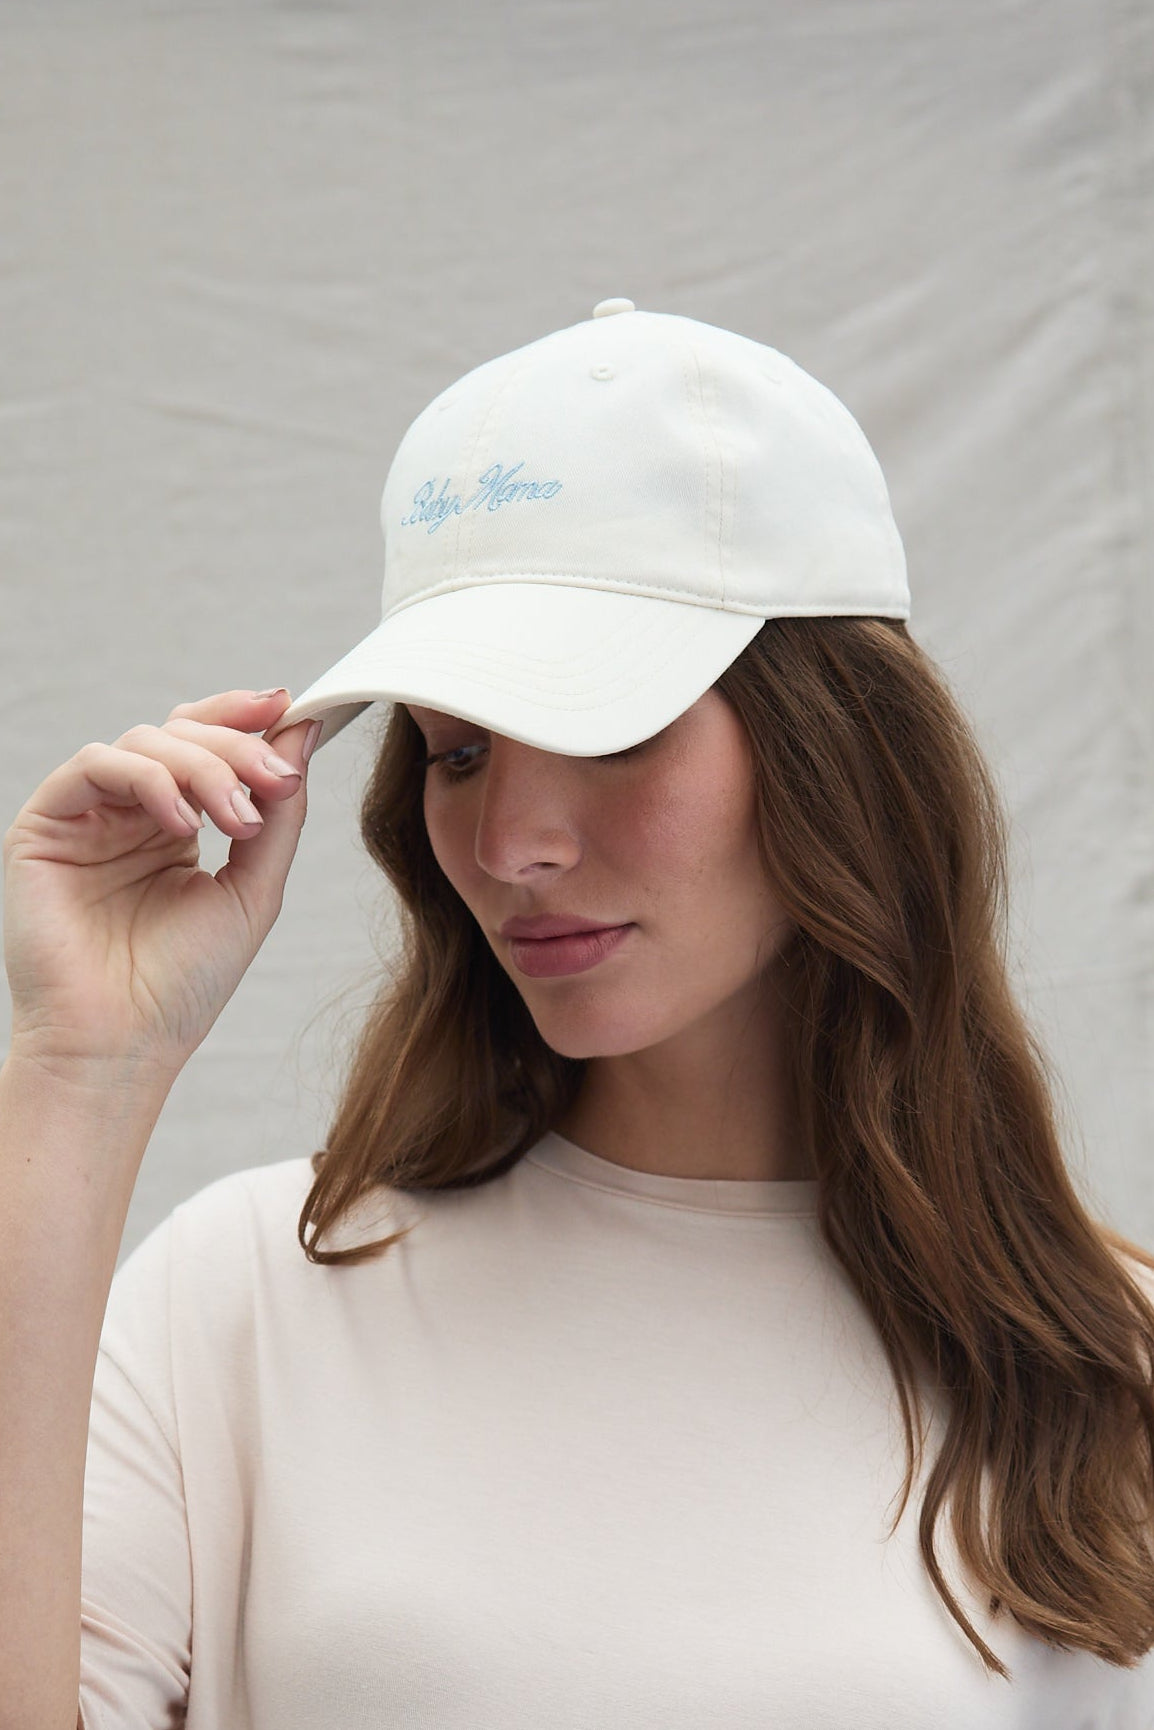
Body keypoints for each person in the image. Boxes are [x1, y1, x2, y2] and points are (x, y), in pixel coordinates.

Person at [2, 300, 1153, 1730]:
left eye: (609, 729)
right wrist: (79, 1068)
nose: (509, 843)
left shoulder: (1099, 1360)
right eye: (458, 751)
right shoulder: (246, 1301)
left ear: (837, 750)